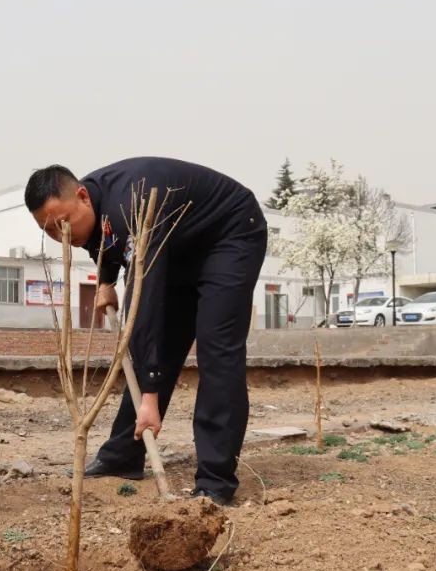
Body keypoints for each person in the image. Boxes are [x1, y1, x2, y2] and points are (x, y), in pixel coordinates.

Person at [24, 158, 266, 506]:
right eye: (48, 231)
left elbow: (146, 297)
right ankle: (124, 454)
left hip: (229, 233)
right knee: (161, 346)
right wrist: (105, 281)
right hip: (179, 245)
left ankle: (215, 480)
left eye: (62, 224)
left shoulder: (130, 206)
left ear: (81, 196)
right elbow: (104, 239)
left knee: (217, 350)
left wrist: (149, 395)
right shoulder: (94, 203)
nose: (60, 236)